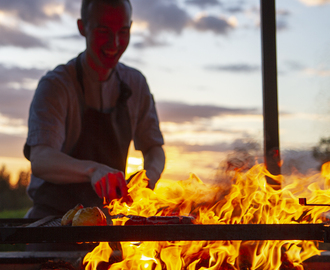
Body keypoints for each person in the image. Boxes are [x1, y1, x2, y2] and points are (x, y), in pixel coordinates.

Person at [23, 0, 165, 220]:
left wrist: (147, 180)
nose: (114, 43)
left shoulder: (136, 84)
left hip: (107, 224)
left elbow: (154, 148)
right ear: (82, 27)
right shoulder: (56, 85)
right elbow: (41, 159)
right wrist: (93, 170)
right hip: (53, 223)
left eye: (123, 31)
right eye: (103, 30)